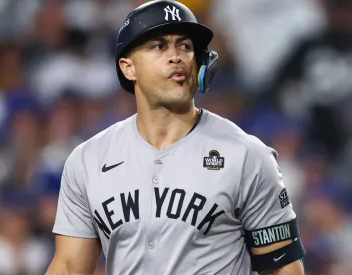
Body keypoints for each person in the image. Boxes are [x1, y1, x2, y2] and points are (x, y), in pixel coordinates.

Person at [45, 1, 306, 274]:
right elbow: (69, 266)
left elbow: (283, 268)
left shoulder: (247, 156)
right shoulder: (89, 160)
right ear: (128, 67)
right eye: (158, 46)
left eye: (185, 46)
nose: (176, 56)